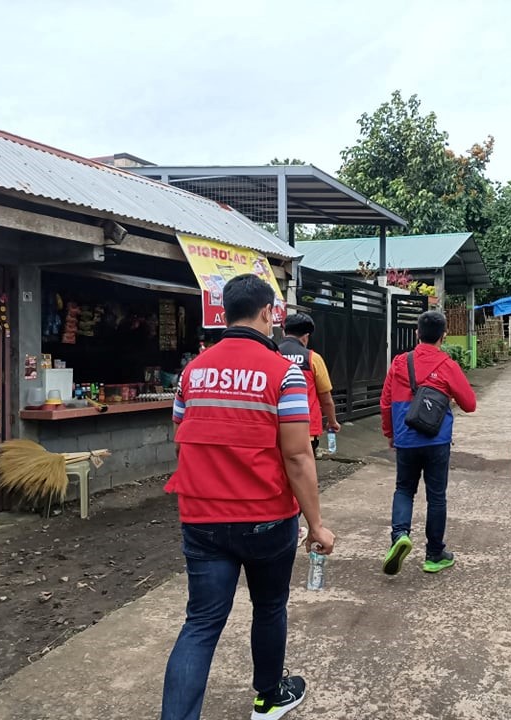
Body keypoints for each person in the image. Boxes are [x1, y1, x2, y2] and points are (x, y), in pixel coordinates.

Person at [161, 274, 336, 720]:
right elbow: (297, 456)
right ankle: (268, 696)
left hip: (201, 517)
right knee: (270, 606)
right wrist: (316, 524)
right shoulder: (285, 373)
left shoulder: (193, 371)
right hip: (266, 519)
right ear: (267, 313)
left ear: (225, 313)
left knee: (200, 624)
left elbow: (181, 437)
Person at [380, 310, 477, 575]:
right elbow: (470, 404)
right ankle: (434, 555)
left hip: (406, 438)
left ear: (417, 334)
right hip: (437, 440)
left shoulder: (400, 362)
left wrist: (391, 433)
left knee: (403, 489)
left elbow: (386, 401)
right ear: (443, 336)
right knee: (436, 497)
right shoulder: (447, 364)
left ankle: (400, 535)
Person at [279, 313, 341, 454]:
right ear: (306, 337)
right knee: (303, 473)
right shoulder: (313, 358)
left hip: (277, 429)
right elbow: (326, 398)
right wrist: (332, 422)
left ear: (284, 332)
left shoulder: (271, 353)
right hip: (306, 431)